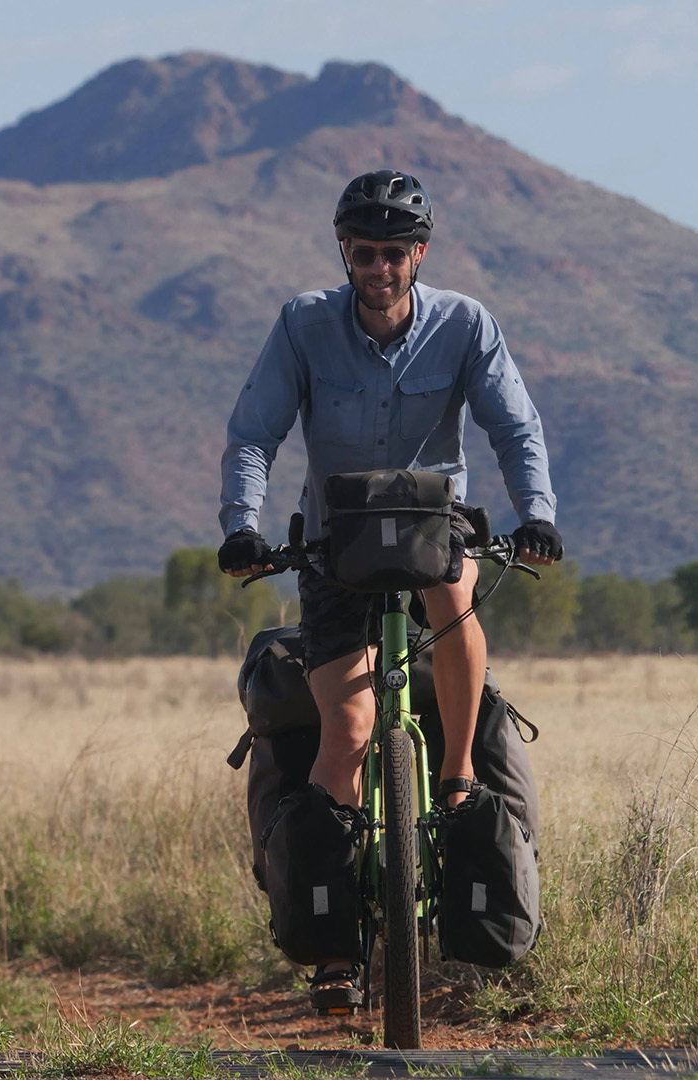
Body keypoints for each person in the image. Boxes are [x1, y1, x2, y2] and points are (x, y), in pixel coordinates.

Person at [215, 170, 563, 1010]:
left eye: (395, 252)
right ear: (345, 251)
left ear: (420, 252)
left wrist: (538, 514)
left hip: (434, 527)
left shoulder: (464, 323)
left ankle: (453, 783)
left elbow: (514, 424)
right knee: (352, 724)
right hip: (336, 541)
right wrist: (241, 525)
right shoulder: (304, 323)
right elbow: (253, 431)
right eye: (365, 252)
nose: (379, 267)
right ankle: (334, 947)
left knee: (456, 592)